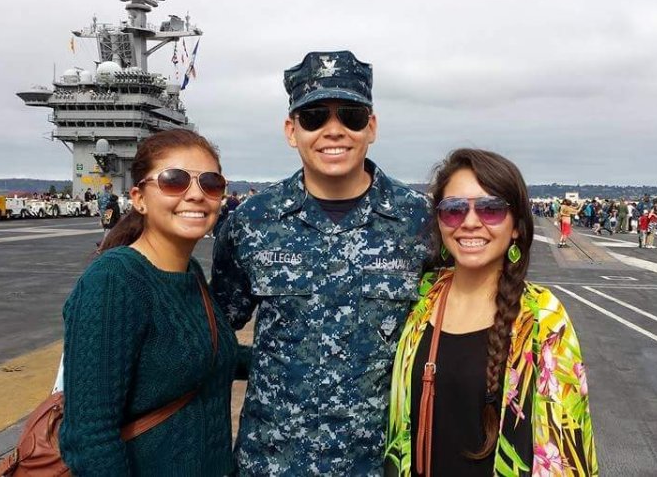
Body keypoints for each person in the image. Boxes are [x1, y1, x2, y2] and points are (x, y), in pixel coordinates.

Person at [211, 50, 432, 475]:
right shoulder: (253, 222)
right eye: (314, 117)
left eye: (350, 115)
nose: (334, 131)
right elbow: (212, 332)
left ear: (372, 126)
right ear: (291, 131)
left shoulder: (417, 221)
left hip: (379, 463)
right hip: (272, 464)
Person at [384, 149, 597, 477]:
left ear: (516, 227)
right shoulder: (417, 302)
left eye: (491, 209)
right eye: (453, 210)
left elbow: (567, 448)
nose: (470, 222)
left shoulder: (543, 318)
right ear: (440, 223)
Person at [58, 130, 239, 475]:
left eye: (211, 183)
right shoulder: (114, 281)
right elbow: (89, 437)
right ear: (139, 198)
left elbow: (206, 352)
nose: (196, 195)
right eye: (175, 181)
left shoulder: (191, 273)